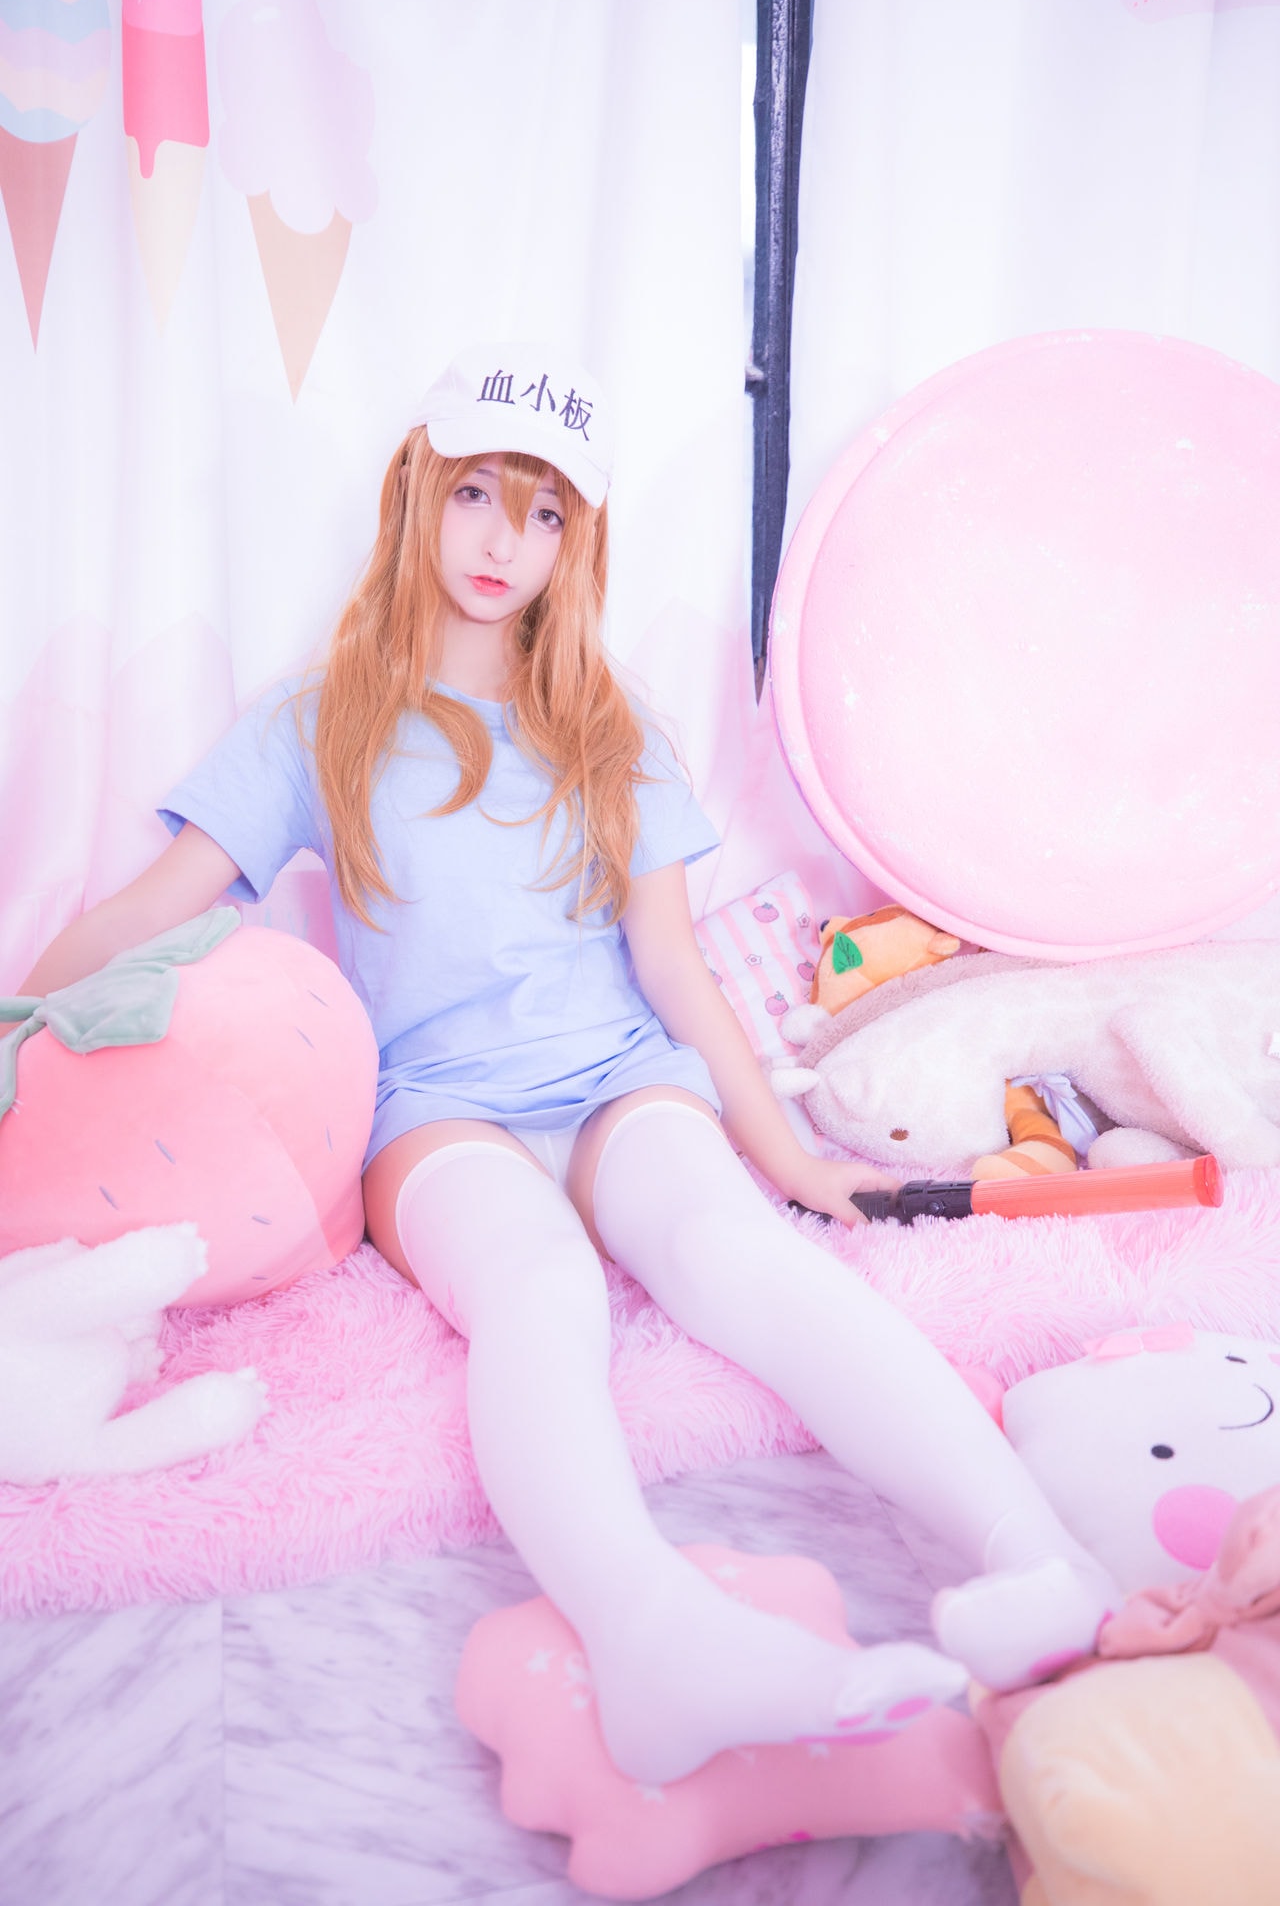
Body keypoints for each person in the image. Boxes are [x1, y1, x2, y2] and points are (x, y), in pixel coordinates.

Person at [21, 342, 1118, 1785]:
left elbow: (671, 966)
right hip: (436, 1111)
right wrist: (22, 1015)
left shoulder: (608, 728)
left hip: (619, 1079)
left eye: (544, 513)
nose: (505, 540)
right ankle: (653, 1641)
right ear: (418, 494)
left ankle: (1041, 1561)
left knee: (738, 1255)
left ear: (574, 543)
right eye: (477, 493)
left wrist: (792, 1160)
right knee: (540, 1291)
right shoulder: (319, 720)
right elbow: (154, 911)